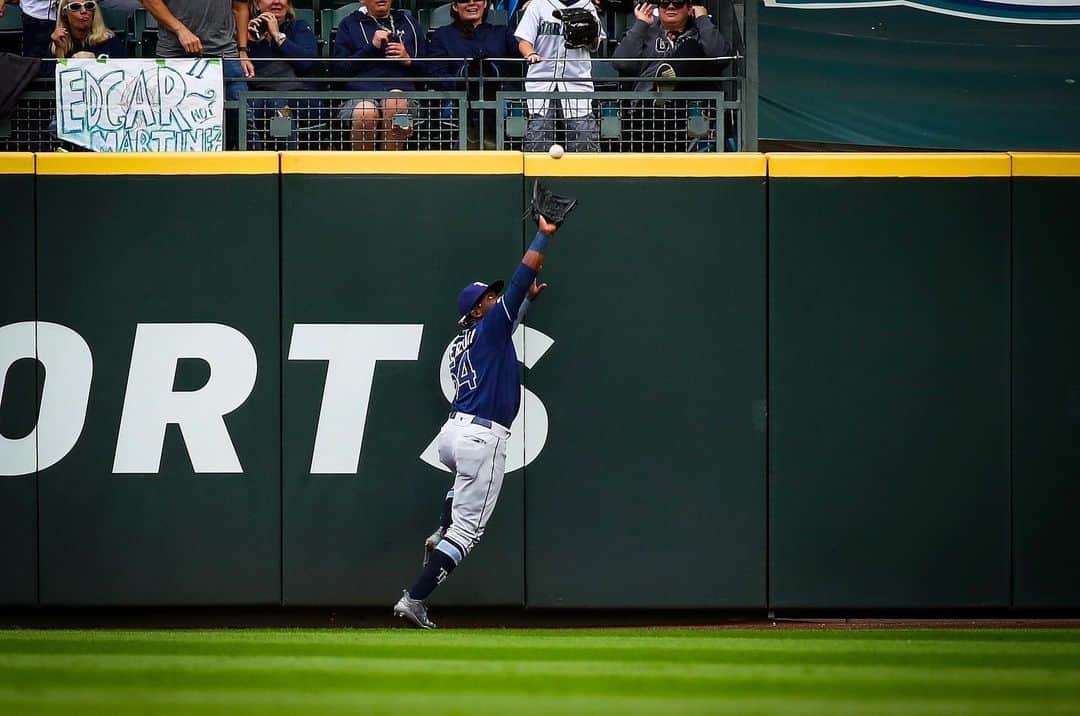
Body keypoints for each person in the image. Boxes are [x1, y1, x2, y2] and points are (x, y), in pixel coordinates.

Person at [393, 195, 571, 630]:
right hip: (482, 437)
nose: (495, 299)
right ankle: (414, 599)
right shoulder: (489, 326)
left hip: (454, 434)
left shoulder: (463, 340)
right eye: (487, 298)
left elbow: (508, 314)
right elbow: (518, 281)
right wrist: (542, 238)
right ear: (476, 310)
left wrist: (523, 302)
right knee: (468, 534)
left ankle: (441, 528)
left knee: (462, 488)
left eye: (493, 296)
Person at [612, 0, 731, 151]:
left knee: (691, 47)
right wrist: (641, 24)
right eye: (664, 3)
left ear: (690, 9)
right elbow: (621, 63)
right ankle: (661, 91)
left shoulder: (701, 33)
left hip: (689, 110)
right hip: (648, 110)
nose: (670, 7)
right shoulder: (645, 32)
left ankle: (666, 84)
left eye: (678, 3)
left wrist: (703, 19)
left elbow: (720, 56)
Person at [427, 0, 521, 147]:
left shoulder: (502, 33)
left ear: (485, 4)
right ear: (455, 6)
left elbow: (518, 67)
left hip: (499, 98)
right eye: (465, 0)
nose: (472, 4)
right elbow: (435, 75)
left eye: (477, 0)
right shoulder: (442, 35)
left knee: (506, 109)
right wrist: (463, 78)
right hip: (457, 99)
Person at [333, 0, 425, 150]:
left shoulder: (410, 23)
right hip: (358, 96)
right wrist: (371, 48)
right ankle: (364, 171)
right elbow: (339, 71)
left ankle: (392, 169)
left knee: (395, 102)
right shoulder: (348, 24)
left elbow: (429, 70)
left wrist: (408, 60)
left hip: (404, 97)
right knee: (366, 112)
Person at [514, 0, 604, 153]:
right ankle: (537, 177)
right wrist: (530, 53)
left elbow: (595, 46)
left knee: (583, 138)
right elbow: (524, 41)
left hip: (576, 83)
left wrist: (588, 35)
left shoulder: (587, 6)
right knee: (539, 136)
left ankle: (585, 176)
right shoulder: (538, 5)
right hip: (542, 81)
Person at [139, 0, 250, 101]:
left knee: (241, 114)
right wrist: (180, 29)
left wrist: (243, 50)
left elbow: (240, 7)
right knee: (172, 115)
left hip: (225, 53)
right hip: (175, 54)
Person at [244, 0, 317, 148]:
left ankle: (286, 156)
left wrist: (278, 36)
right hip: (261, 101)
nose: (277, 1)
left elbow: (306, 63)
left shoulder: (299, 27)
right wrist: (249, 43)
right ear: (257, 5)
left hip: (302, 100)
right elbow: (249, 76)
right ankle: (259, 162)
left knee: (276, 105)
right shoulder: (247, 36)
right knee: (250, 107)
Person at [50, 0, 127, 58]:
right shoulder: (58, 42)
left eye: (89, 5)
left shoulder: (109, 40)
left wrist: (96, 62)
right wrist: (60, 52)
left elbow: (123, 73)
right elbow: (53, 77)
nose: (84, 11)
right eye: (75, 6)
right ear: (64, 13)